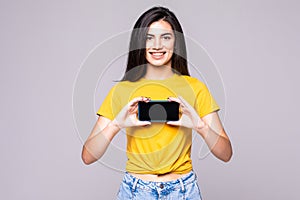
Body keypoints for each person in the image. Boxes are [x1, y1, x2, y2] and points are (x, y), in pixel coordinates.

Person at [81, 6, 232, 199]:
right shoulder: (122, 90)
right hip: (135, 191)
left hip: (183, 191)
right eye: (149, 37)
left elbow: (226, 153)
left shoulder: (195, 88)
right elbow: (88, 156)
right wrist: (117, 124)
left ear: (176, 42)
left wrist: (199, 125)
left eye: (166, 37)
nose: (157, 45)